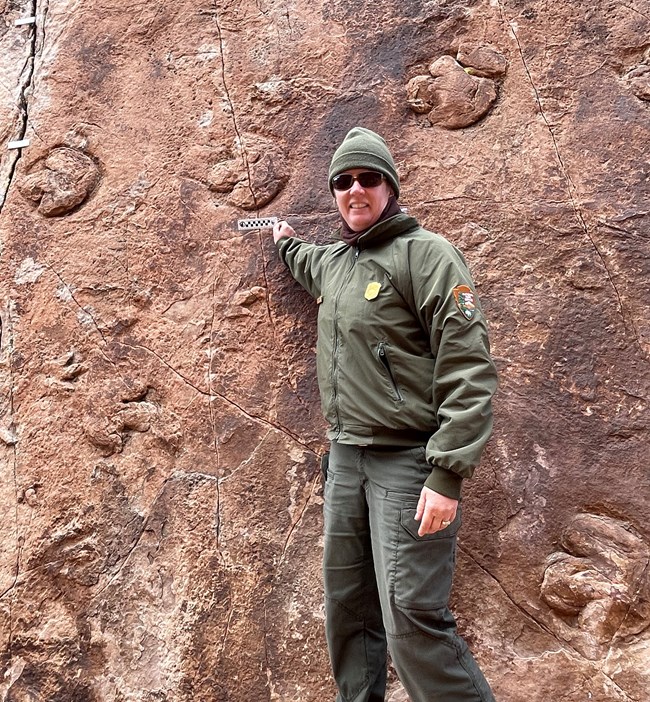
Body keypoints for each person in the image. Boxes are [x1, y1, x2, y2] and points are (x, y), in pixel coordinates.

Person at [272, 127, 498, 702]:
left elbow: (468, 367)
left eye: (368, 178)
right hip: (347, 458)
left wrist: (447, 473)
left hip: (409, 462)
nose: (355, 190)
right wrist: (283, 239)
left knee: (411, 618)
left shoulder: (427, 256)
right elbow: (305, 261)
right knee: (348, 607)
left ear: (390, 186)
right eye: (343, 181)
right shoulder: (337, 264)